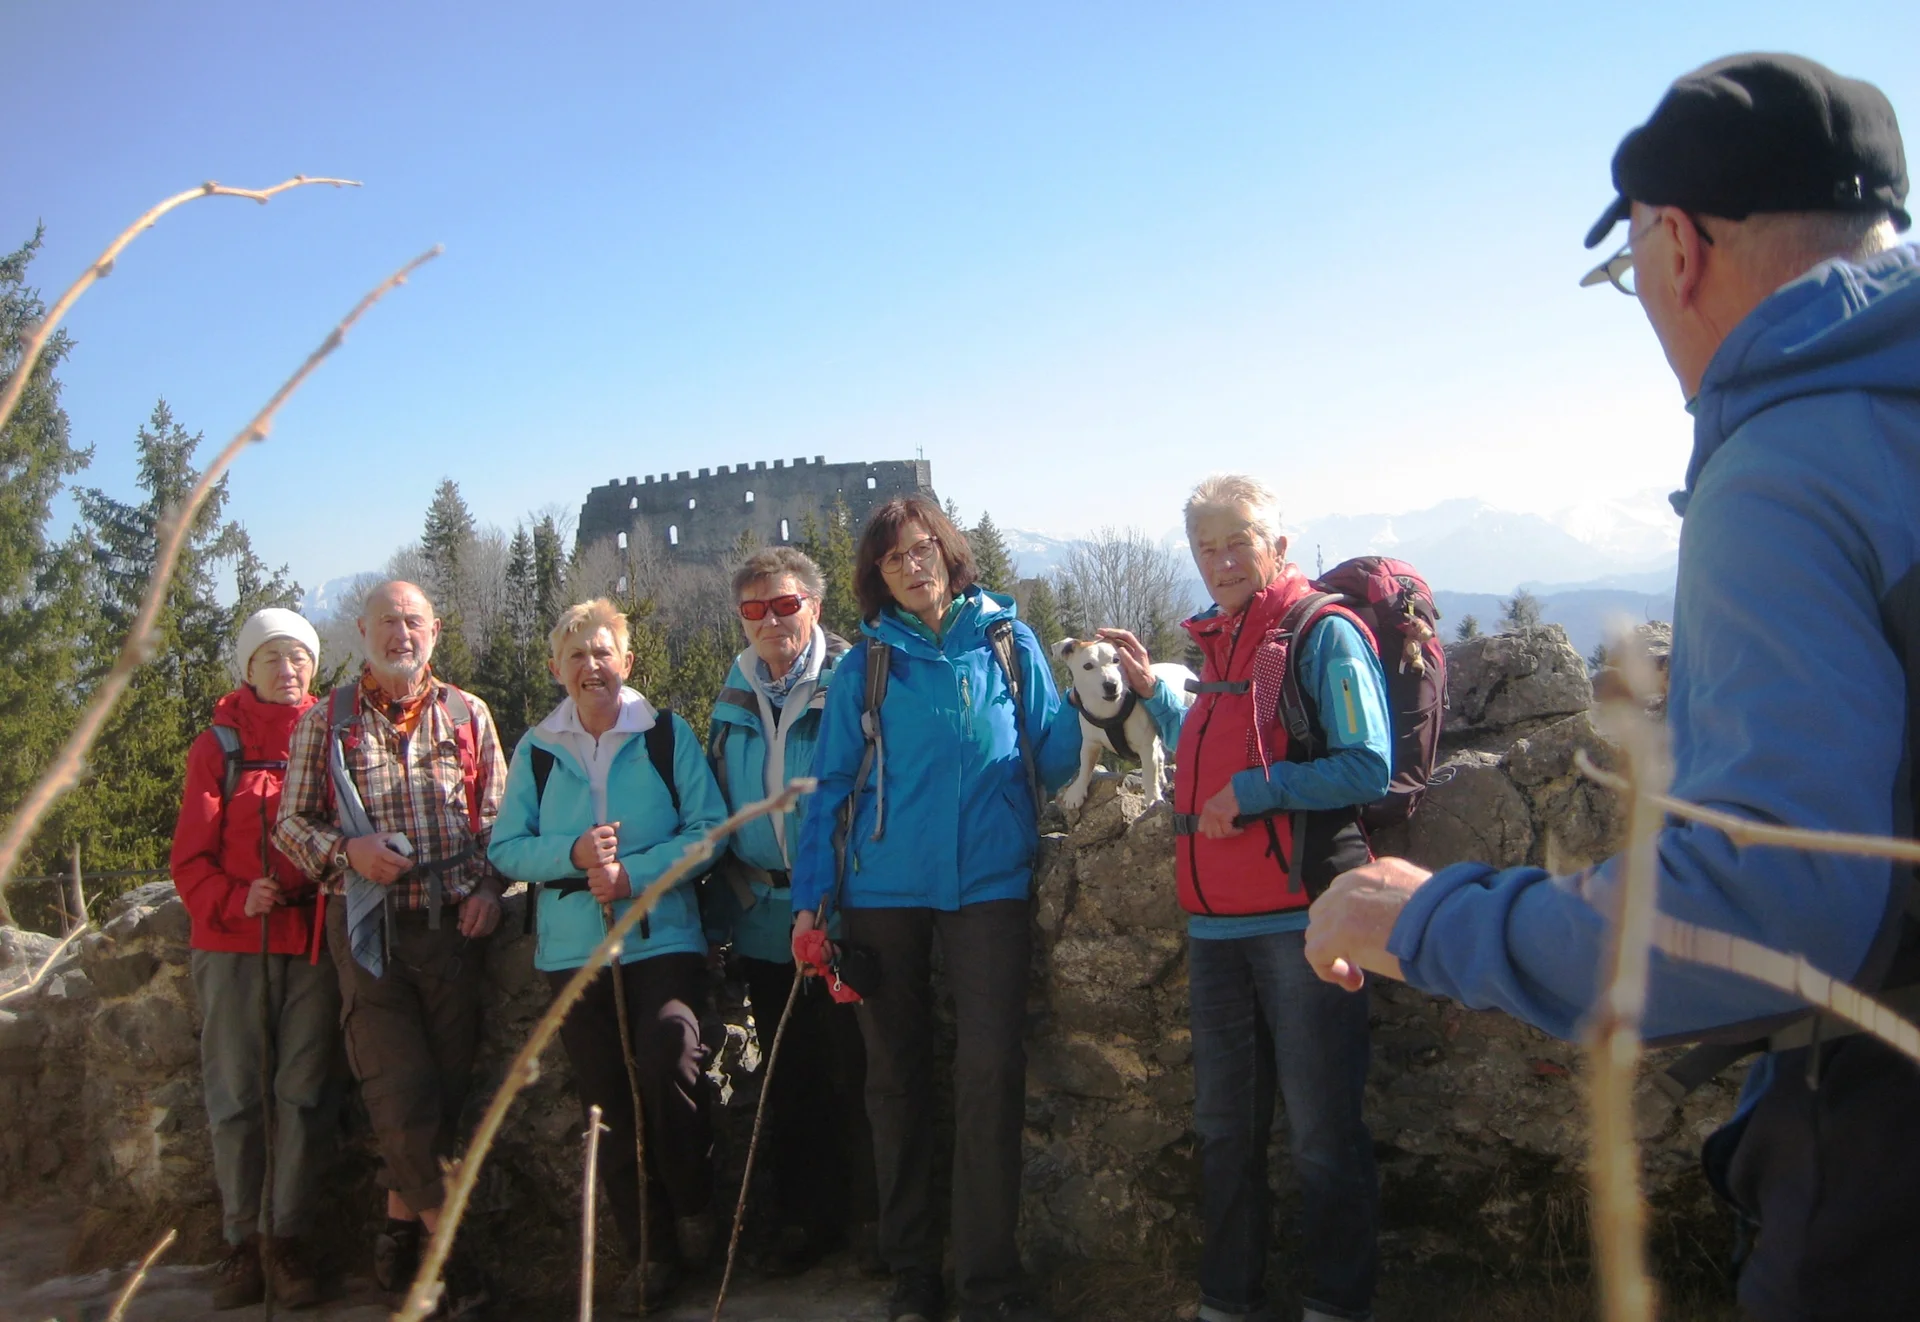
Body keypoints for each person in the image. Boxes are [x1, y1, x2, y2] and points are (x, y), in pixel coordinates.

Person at [1303, 53, 1918, 1322]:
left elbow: (1775, 901)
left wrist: (1422, 918)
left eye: (1629, 267)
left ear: (1677, 245)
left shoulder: (1787, 468)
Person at [789, 495, 1184, 1322]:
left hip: (991, 881)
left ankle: (987, 1284)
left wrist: (1113, 702)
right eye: (893, 558)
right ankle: (913, 1276)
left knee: (992, 1074)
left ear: (948, 552)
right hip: (883, 889)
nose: (912, 566)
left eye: (922, 548)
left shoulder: (1009, 642)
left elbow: (1055, 751)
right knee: (894, 1082)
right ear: (878, 576)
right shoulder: (867, 664)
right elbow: (827, 788)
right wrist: (811, 903)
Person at [1169, 475, 1392, 1322]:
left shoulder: (1317, 633)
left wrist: (1257, 792)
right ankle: (1228, 1300)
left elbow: (1367, 764)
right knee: (1224, 1130)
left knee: (1322, 1133)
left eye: (1239, 542)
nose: (1222, 561)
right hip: (1214, 926)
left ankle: (1337, 1303)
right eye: (1206, 548)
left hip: (1306, 919)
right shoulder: (1219, 644)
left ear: (1279, 546)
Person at [489, 597, 729, 1313]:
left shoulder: (665, 735)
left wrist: (634, 875)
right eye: (576, 655)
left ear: (627, 660)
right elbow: (506, 849)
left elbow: (709, 831)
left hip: (662, 937)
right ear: (556, 668)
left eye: (603, 652)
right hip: (574, 951)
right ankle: (649, 1252)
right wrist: (569, 854)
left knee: (670, 1053)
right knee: (608, 1104)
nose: (591, 666)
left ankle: (694, 1206)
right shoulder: (537, 750)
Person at [274, 580, 507, 1313]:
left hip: (452, 932)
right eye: (386, 622)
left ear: (434, 630)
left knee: (444, 1096)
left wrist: (489, 888)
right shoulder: (325, 721)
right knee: (398, 1093)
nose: (400, 633)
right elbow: (290, 823)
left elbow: (499, 819)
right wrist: (348, 851)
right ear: (362, 631)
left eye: (412, 621)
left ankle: (400, 1233)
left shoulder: (468, 714)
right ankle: (454, 1265)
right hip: (366, 930)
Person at [703, 548, 880, 1276]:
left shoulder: (853, 679)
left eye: (785, 605)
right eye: (755, 609)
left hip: (844, 912)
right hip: (763, 916)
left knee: (858, 1068)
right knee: (791, 1074)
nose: (771, 621)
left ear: (815, 605)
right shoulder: (733, 693)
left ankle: (874, 1222)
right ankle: (809, 1222)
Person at [170, 608, 335, 1310]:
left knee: (304, 1095)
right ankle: (243, 1242)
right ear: (248, 669)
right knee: (237, 1097)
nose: (288, 669)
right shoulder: (218, 747)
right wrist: (239, 898)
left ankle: (286, 1239)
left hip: (313, 940)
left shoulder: (328, 736)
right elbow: (190, 860)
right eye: (273, 657)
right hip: (234, 943)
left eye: (299, 657)